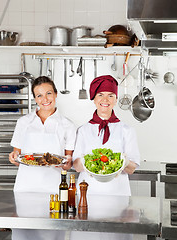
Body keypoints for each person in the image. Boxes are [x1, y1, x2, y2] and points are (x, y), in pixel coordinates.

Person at [71, 75, 140, 240]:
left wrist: (121, 162)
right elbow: (76, 166)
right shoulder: (83, 130)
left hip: (118, 196)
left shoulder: (127, 130)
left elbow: (132, 169)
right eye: (100, 95)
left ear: (116, 100)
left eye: (111, 95)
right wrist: (88, 160)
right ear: (94, 99)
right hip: (88, 196)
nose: (105, 99)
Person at [9, 76, 76, 240]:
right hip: (25, 189)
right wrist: (13, 157)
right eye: (39, 95)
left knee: (52, 235)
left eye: (48, 93)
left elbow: (68, 163)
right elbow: (17, 156)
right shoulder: (23, 122)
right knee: (24, 234)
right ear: (34, 99)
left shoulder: (68, 125)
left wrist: (64, 163)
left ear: (56, 94)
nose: (44, 99)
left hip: (54, 190)